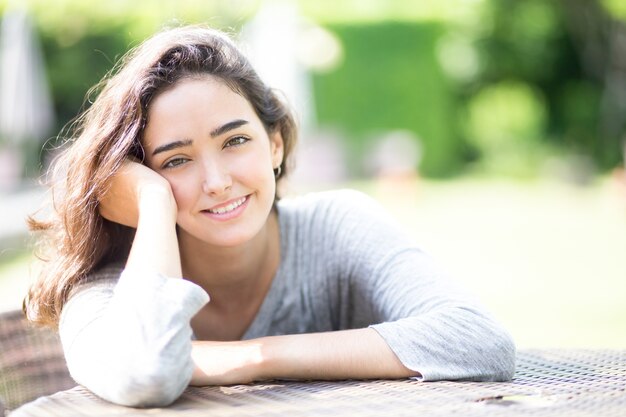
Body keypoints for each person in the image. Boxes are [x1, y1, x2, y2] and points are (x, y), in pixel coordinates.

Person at [25, 25, 516, 408]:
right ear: (134, 178)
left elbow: (478, 340)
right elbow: (147, 372)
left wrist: (254, 357)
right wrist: (154, 204)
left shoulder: (337, 225)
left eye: (235, 141)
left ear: (274, 144)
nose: (216, 181)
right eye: (175, 160)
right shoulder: (107, 287)